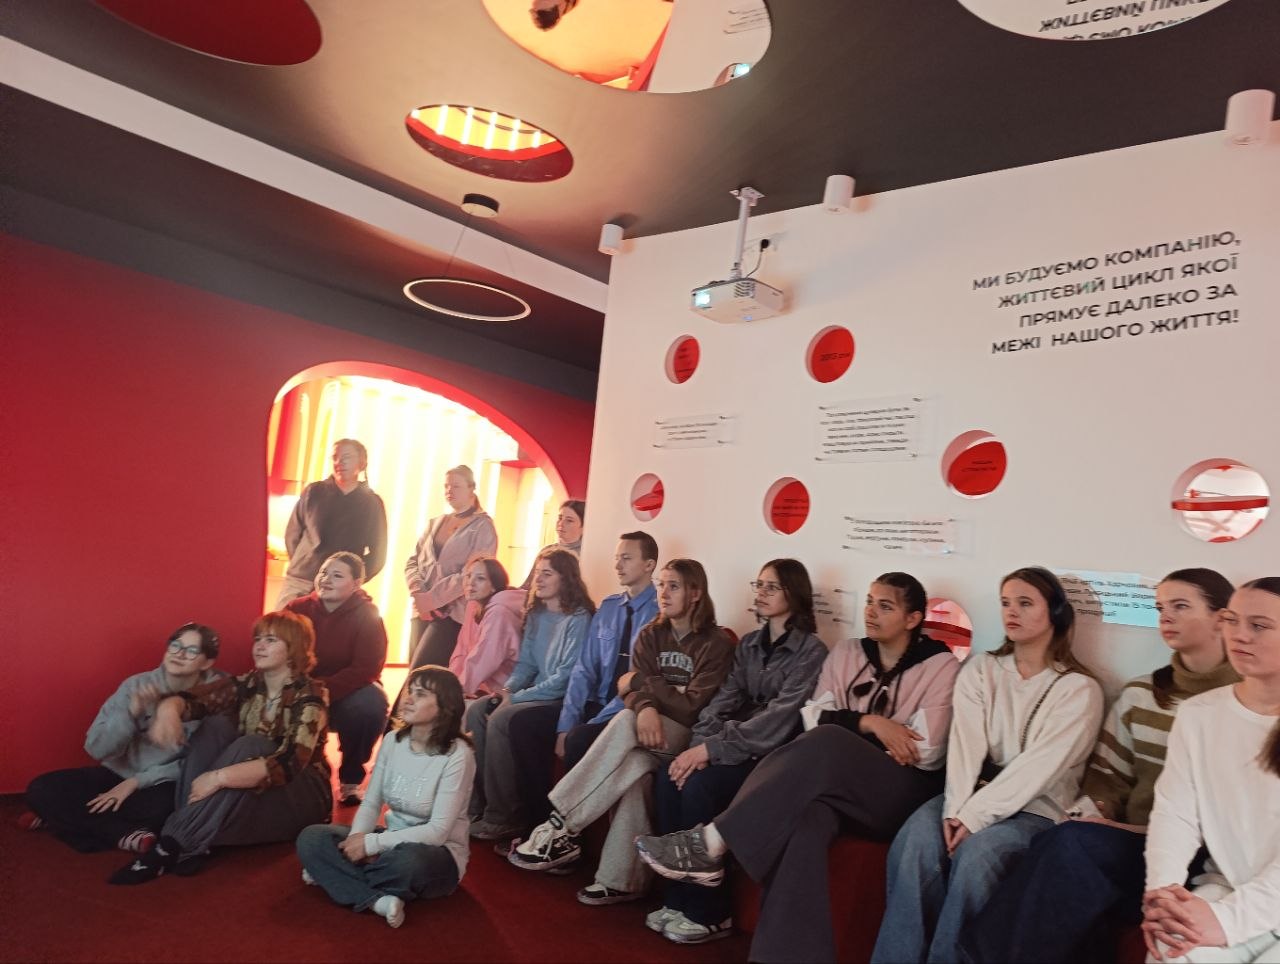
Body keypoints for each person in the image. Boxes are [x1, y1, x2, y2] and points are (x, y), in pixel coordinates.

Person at [637, 572, 961, 963]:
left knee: (829, 740)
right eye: (869, 602)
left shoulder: (941, 665)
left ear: (913, 619)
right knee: (807, 820)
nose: (871, 612)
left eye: (885, 606)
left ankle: (712, 841)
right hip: (837, 788)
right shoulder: (848, 653)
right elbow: (812, 717)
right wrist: (873, 724)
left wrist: (847, 733)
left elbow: (925, 750)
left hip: (898, 792)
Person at [960, 568, 1240, 964]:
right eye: (1161, 608)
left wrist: (1109, 830)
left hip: (1196, 854)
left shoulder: (1242, 703)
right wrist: (1094, 812)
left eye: (1180, 606)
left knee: (1071, 846)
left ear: (1220, 618)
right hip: (1133, 846)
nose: (1166, 617)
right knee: (1060, 841)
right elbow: (1107, 777)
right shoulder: (1142, 693)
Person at [870, 566, 1106, 964]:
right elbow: (966, 746)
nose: (1011, 611)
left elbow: (1038, 770)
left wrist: (974, 818)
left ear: (1055, 612)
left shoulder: (1079, 689)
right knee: (915, 841)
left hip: (1038, 809)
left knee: (979, 856)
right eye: (1006, 602)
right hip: (970, 795)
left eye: (1025, 603)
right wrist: (955, 811)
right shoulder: (982, 669)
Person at [509, 558, 734, 908]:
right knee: (636, 769)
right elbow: (627, 691)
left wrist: (643, 688)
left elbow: (692, 706)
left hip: (685, 739)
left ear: (695, 594)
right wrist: (646, 707)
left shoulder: (715, 642)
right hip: (646, 733)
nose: (663, 593)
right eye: (661, 585)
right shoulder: (651, 634)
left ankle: (561, 823)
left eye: (674, 586)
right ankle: (621, 880)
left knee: (626, 723)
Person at [636, 559, 829, 944]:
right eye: (760, 584)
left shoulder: (812, 650)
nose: (762, 593)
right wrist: (697, 745)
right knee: (669, 779)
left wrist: (711, 750)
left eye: (772, 587)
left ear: (794, 594)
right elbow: (722, 701)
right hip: (732, 743)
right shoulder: (752, 645)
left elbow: (779, 719)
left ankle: (711, 912)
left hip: (771, 755)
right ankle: (677, 899)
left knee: (700, 787)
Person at [108, 610, 332, 884]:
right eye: (258, 639)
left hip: (303, 794)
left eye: (271, 640)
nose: (259, 646)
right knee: (215, 726)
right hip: (255, 785)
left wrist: (217, 777)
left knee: (251, 744)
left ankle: (172, 843)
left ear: (293, 648)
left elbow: (289, 763)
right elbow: (198, 700)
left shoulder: (311, 694)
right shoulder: (250, 683)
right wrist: (169, 709)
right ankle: (189, 838)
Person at [1140, 577, 1280, 964]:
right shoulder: (1199, 714)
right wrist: (1163, 896)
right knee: (1170, 952)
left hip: (1261, 903)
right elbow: (1175, 814)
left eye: (1259, 625)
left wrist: (1228, 921)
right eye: (1232, 621)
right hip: (1227, 888)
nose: (1240, 635)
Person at [502, 531, 661, 831]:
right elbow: (583, 670)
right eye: (617, 558)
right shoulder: (609, 608)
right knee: (523, 724)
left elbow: (644, 679)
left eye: (626, 558)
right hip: (595, 702)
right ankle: (536, 825)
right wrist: (566, 723)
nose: (618, 565)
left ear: (649, 565)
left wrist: (584, 725)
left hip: (626, 710)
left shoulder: (659, 613)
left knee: (579, 738)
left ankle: (570, 835)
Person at [296, 665, 476, 930]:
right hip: (388, 842)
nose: (408, 698)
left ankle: (334, 876)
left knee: (408, 863)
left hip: (436, 854)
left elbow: (438, 832)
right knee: (311, 837)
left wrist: (371, 845)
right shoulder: (393, 740)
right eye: (410, 691)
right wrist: (357, 840)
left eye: (421, 694)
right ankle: (376, 900)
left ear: (445, 707)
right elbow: (371, 802)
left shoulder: (459, 754)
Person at [22, 623, 223, 854]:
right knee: (41, 788)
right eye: (175, 645)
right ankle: (120, 833)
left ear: (207, 662)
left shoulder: (217, 697)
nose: (179, 654)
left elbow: (199, 763)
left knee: (164, 810)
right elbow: (97, 749)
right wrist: (130, 714)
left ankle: (61, 820)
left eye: (191, 651)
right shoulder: (135, 685)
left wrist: (136, 782)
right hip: (116, 773)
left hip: (160, 782)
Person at [465, 548, 593, 841]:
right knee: (477, 710)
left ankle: (503, 816)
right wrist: (508, 690)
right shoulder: (536, 613)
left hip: (559, 699)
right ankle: (479, 806)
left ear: (566, 578)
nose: (538, 579)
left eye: (547, 573)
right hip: (534, 691)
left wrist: (516, 699)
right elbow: (526, 665)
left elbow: (564, 679)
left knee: (501, 719)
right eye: (537, 573)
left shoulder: (579, 618)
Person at [285, 551, 390, 805]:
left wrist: (321, 690)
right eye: (323, 572)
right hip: (300, 689)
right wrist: (305, 690)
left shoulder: (368, 615)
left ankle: (351, 778)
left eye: (337, 575)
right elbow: (282, 653)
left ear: (356, 584)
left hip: (346, 692)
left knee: (371, 704)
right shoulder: (296, 609)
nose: (326, 579)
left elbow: (366, 668)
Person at [405, 465, 499, 669]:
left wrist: (433, 599)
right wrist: (418, 592)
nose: (449, 490)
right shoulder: (435, 523)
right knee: (415, 672)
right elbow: (413, 561)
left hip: (452, 613)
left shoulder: (483, 526)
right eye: (446, 486)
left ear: (471, 488)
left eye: (456, 486)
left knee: (425, 672)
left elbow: (473, 574)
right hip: (421, 609)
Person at [277, 438, 387, 608]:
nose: (339, 462)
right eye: (335, 457)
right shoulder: (314, 492)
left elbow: (378, 553)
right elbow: (293, 534)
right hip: (301, 581)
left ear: (362, 463)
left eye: (346, 457)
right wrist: (304, 562)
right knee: (283, 623)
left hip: (340, 589)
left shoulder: (372, 503)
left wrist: (351, 579)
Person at [448, 556, 525, 698]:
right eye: (468, 576)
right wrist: (450, 683)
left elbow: (484, 659)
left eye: (480, 578)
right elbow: (462, 649)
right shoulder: (473, 605)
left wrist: (455, 692)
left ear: (494, 586)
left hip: (510, 690)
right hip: (484, 688)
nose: (470, 582)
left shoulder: (499, 612)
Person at [520, 499, 585, 589]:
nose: (561, 523)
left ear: (583, 526)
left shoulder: (585, 554)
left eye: (569, 520)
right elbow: (528, 585)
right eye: (560, 518)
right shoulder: (547, 551)